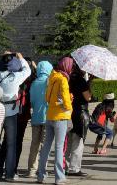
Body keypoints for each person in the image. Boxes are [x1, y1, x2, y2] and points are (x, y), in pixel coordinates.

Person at [0, 52, 30, 182]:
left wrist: (1, 60)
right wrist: (21, 58)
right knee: (11, 144)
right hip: (11, 113)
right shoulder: (16, 77)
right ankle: (9, 174)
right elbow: (27, 70)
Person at [36, 56, 73, 185]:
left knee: (46, 147)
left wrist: (58, 102)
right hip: (61, 117)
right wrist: (68, 103)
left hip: (50, 115)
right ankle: (59, 177)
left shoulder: (52, 77)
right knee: (59, 147)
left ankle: (41, 175)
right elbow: (67, 103)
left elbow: (47, 98)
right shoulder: (63, 80)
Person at [66, 61, 92, 178]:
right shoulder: (81, 80)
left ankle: (65, 166)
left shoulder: (68, 78)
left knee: (68, 141)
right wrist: (89, 84)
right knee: (78, 141)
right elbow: (87, 97)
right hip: (80, 113)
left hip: (69, 111)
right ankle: (74, 168)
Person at [26, 60, 51, 176]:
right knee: (44, 146)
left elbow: (31, 101)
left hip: (35, 118)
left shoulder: (34, 83)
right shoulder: (49, 82)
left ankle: (31, 169)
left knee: (34, 144)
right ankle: (42, 169)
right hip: (47, 118)